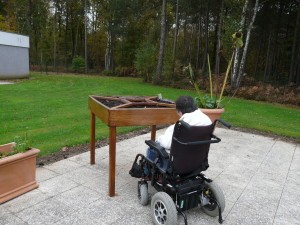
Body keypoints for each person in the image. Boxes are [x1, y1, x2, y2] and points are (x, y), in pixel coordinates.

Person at [146, 95, 212, 165]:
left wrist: (159, 140)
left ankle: (147, 173)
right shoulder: (207, 120)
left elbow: (168, 144)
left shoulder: (183, 125)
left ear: (179, 112)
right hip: (198, 160)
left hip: (181, 162)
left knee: (153, 148)